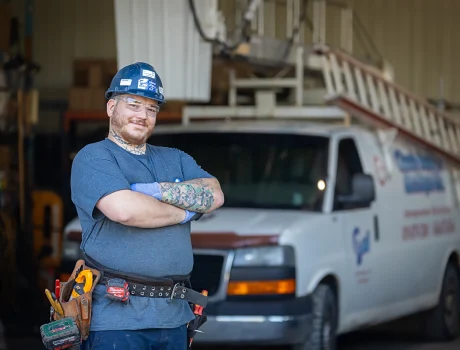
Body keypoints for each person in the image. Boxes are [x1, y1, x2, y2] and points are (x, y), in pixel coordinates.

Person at [70, 61, 225, 350]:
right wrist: (187, 210)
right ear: (111, 108)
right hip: (117, 319)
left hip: (174, 316)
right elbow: (125, 210)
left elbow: (214, 195)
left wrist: (153, 191)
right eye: (133, 105)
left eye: (151, 108)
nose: (143, 115)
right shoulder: (93, 158)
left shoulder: (175, 158)